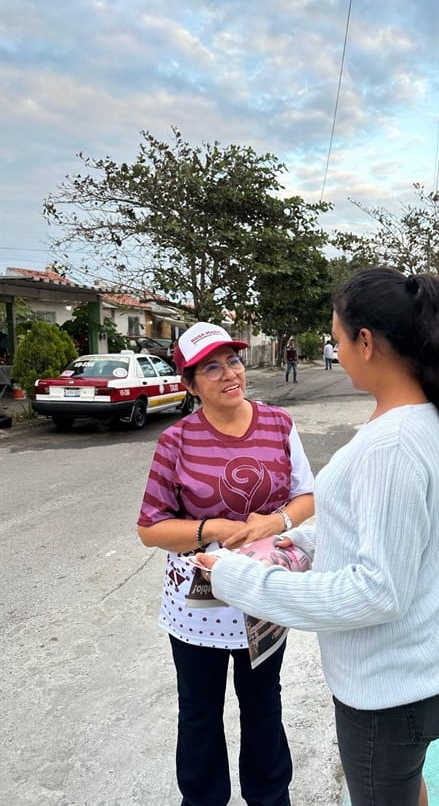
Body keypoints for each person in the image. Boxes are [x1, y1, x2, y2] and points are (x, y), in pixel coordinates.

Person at [195, 269, 439, 806]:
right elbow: (375, 527)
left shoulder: (392, 445)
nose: (335, 349)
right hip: (408, 671)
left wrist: (240, 579)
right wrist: (299, 542)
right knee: (403, 789)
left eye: (337, 337)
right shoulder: (417, 421)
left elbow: (377, 590)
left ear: (365, 342)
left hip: (387, 688)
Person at [136, 321, 315, 806]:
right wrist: (211, 529)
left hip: (263, 595)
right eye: (210, 368)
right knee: (198, 711)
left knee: (263, 705)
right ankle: (201, 799)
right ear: (190, 386)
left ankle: (270, 797)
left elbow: (306, 497)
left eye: (232, 361)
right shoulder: (175, 441)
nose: (229, 374)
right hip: (198, 608)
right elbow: (150, 527)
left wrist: (271, 523)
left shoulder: (279, 423)